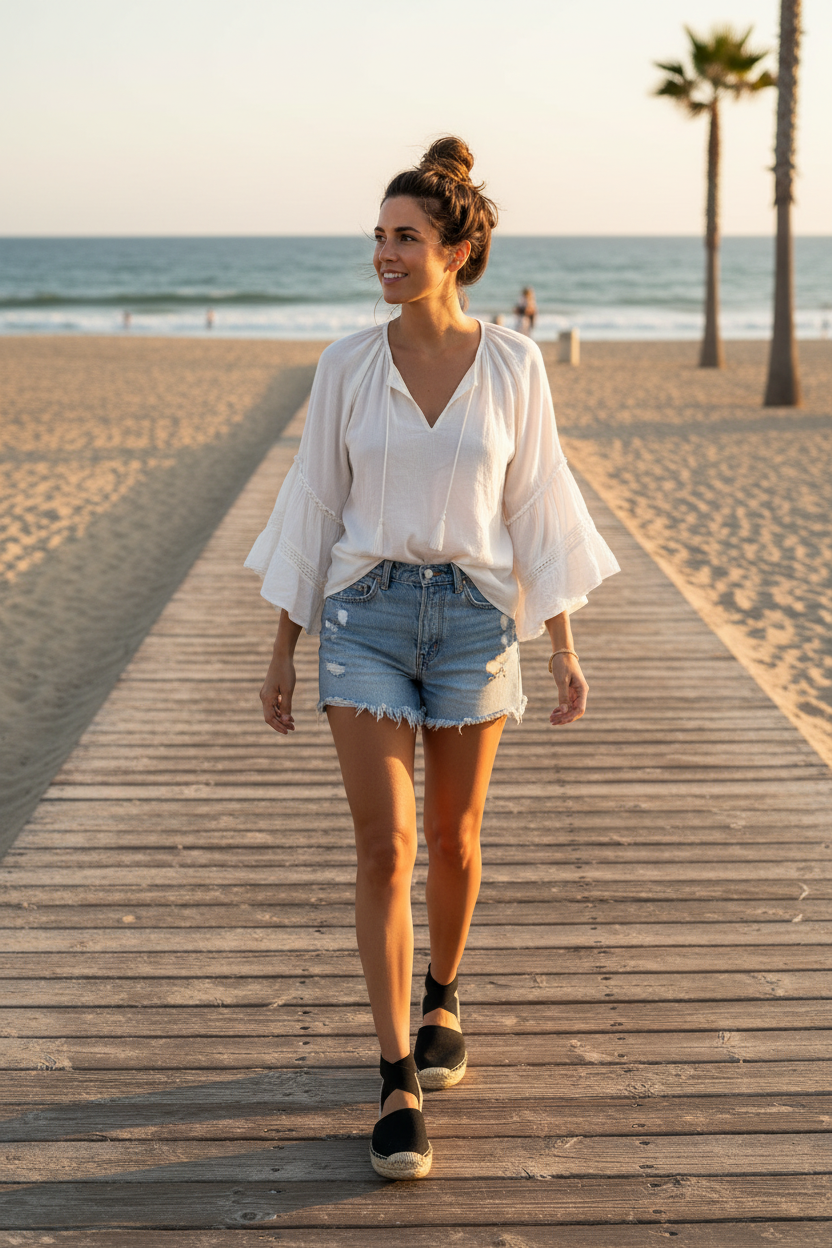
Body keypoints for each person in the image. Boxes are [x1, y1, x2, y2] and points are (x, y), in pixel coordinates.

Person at [245, 137, 618, 1181]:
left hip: (473, 620)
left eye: (405, 238)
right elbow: (313, 503)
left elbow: (537, 503)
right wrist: (282, 647)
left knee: (454, 841)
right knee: (387, 847)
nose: (384, 254)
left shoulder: (513, 365)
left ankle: (444, 995)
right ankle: (395, 1073)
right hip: (362, 617)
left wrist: (564, 647)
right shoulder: (347, 367)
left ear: (455, 252)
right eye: (378, 237)